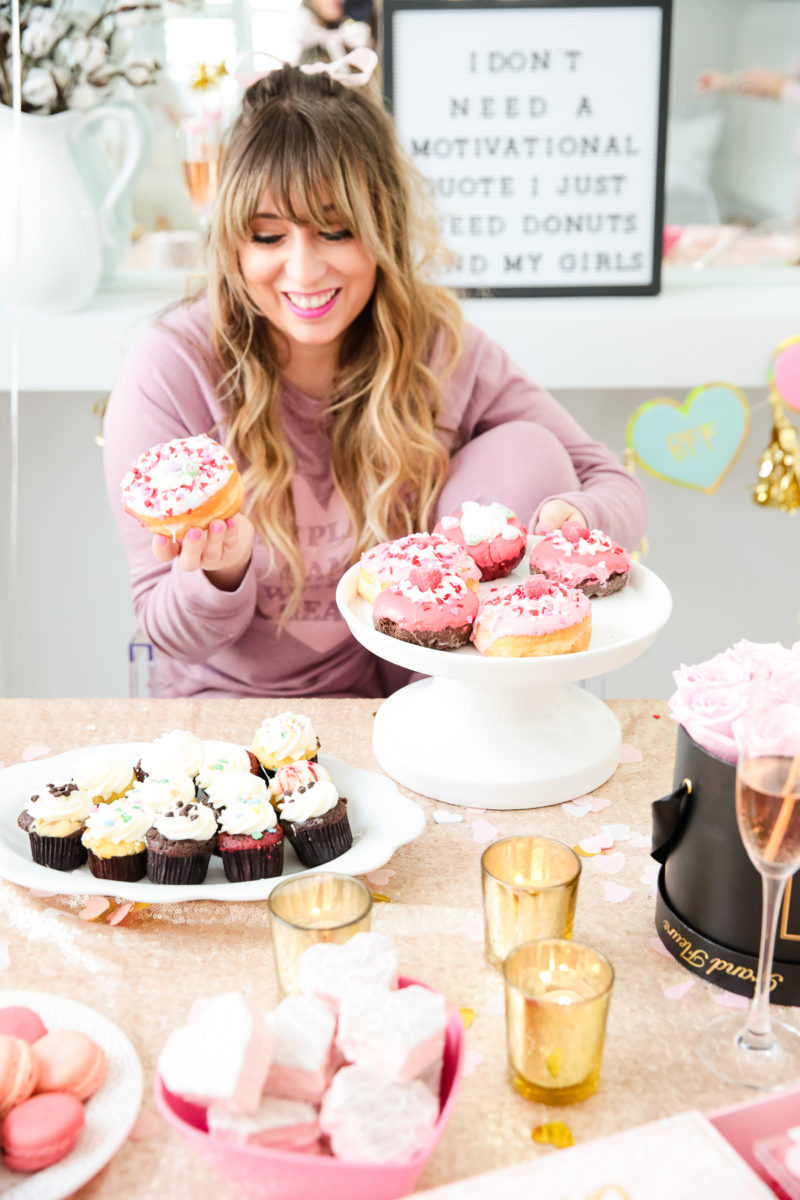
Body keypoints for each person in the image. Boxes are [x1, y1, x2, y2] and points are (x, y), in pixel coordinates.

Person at [103, 53, 648, 699]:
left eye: (335, 230)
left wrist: (566, 522)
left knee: (526, 450)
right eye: (269, 237)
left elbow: (611, 483)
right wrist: (220, 575)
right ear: (231, 242)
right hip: (241, 711)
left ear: (383, 225)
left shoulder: (439, 349)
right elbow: (169, 632)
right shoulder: (173, 367)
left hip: (418, 700)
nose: (303, 273)